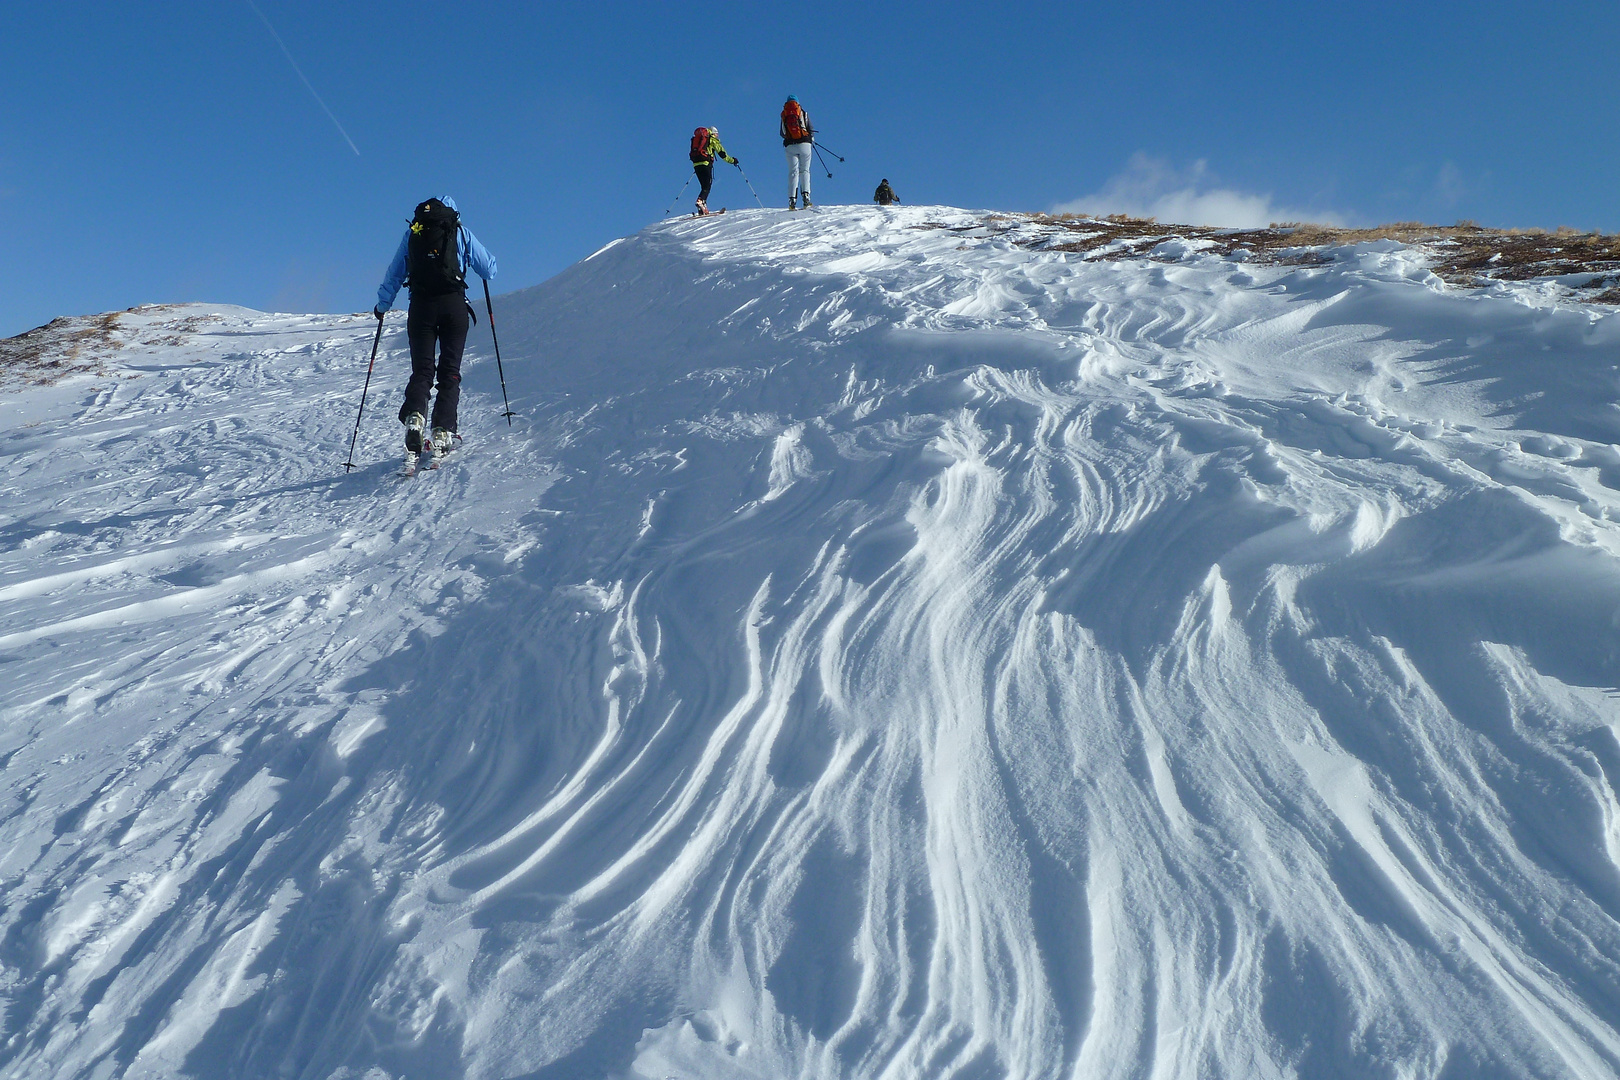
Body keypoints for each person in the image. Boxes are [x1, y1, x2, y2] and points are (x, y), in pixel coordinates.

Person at [373, 196, 497, 459]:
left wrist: (382, 306)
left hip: (421, 307)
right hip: (454, 306)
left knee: (422, 370)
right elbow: (488, 269)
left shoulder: (413, 233)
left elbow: (395, 273)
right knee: (450, 371)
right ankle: (443, 430)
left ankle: (416, 416)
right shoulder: (459, 231)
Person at [689, 127, 737, 216]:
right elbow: (722, 153)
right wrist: (732, 161)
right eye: (717, 133)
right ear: (713, 133)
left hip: (696, 164)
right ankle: (700, 202)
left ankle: (702, 208)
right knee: (707, 186)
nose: (717, 135)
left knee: (704, 186)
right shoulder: (712, 139)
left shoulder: (699, 139)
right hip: (706, 164)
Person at [781, 94, 814, 210]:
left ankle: (792, 200)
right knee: (804, 170)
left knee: (793, 172)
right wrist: (811, 138)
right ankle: (806, 196)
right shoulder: (803, 113)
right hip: (804, 145)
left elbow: (782, 133)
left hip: (790, 146)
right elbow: (810, 128)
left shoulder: (784, 114)